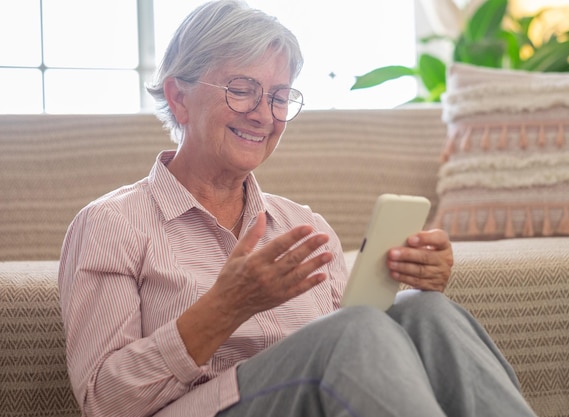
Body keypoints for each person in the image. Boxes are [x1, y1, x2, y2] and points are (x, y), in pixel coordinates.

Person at [57, 1, 538, 416]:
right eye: (242, 89)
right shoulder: (111, 224)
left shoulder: (304, 225)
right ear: (178, 97)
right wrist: (224, 309)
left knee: (425, 311)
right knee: (354, 332)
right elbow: (102, 403)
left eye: (280, 96)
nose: (264, 114)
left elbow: (361, 348)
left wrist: (408, 277)